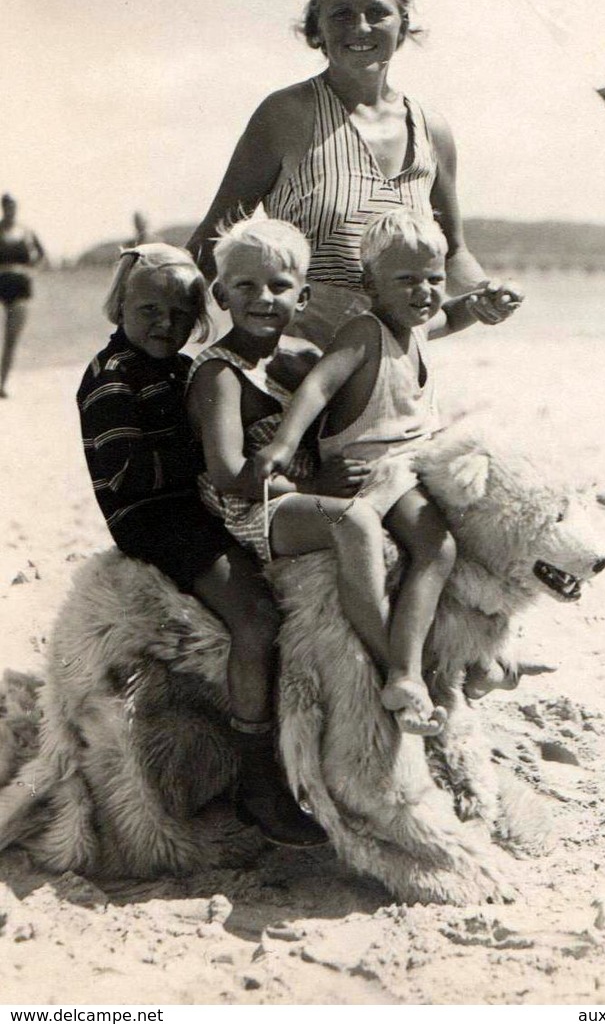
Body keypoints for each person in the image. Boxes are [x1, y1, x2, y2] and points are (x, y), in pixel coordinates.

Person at [76, 241, 326, 847]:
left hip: (193, 507)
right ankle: (256, 778)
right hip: (156, 520)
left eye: (180, 314)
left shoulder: (178, 369)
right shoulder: (112, 377)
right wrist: (217, 459)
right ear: (119, 308)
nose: (167, 324)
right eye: (149, 311)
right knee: (256, 618)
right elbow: (125, 473)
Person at [255, 208, 523, 730]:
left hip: (411, 462)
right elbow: (319, 386)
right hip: (373, 467)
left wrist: (483, 302)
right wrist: (285, 443)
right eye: (407, 280)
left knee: (490, 519)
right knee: (437, 546)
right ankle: (404, 671)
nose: (424, 292)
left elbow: (455, 314)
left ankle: (478, 655)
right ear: (368, 283)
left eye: (434, 279)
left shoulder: (416, 326)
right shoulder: (365, 331)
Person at [187, 0, 522, 348]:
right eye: (341, 14)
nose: (360, 27)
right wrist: (146, 336)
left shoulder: (432, 130)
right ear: (317, 30)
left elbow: (451, 255)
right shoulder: (286, 115)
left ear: (402, 24)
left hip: (396, 364)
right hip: (297, 363)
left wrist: (487, 294)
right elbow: (213, 237)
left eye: (377, 12)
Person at [187, 217, 446, 733]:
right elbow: (228, 473)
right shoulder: (220, 372)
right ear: (220, 295)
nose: (265, 298)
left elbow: (380, 353)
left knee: (433, 518)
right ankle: (393, 667)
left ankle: (466, 656)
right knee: (354, 524)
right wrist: (313, 488)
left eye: (280, 286)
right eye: (246, 286)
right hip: (257, 508)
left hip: (309, 494)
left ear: (302, 299)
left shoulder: (301, 356)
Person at [0, 193, 45, 397]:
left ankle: (2, 383)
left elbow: (42, 256)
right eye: (7, 206)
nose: (10, 210)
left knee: (11, 338)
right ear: (3, 207)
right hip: (1, 283)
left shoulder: (26, 232)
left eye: (13, 206)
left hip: (20, 287)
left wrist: (31, 271)